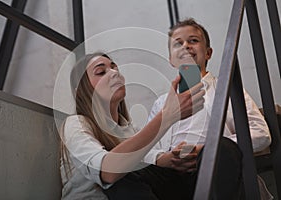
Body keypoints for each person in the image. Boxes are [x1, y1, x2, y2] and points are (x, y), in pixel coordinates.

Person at [144, 18, 272, 199]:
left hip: (216, 170)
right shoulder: (161, 102)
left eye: (193, 41)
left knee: (222, 147)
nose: (186, 46)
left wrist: (206, 149)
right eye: (178, 44)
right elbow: (147, 149)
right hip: (173, 177)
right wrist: (166, 159)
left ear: (208, 53)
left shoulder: (227, 90)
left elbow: (261, 134)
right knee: (128, 170)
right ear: (171, 59)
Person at [60, 52, 205, 200]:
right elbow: (107, 172)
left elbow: (150, 157)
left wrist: (175, 158)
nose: (114, 73)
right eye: (101, 72)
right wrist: (166, 117)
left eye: (114, 67)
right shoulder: (76, 124)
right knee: (123, 167)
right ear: (82, 90)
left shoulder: (127, 127)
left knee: (200, 163)